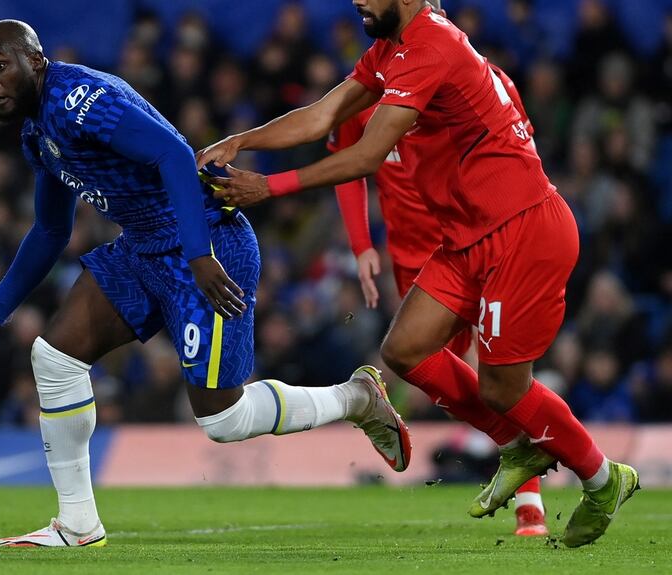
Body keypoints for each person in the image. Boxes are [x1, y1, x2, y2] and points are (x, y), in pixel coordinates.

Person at [0, 19, 411, 549]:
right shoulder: (40, 131)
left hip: (206, 243)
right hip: (144, 247)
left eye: (0, 66)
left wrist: (198, 255)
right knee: (55, 359)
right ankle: (77, 524)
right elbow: (52, 229)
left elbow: (172, 152)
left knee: (225, 420)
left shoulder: (79, 100)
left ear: (35, 61)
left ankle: (356, 398)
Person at [196, 0, 637, 548]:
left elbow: (366, 156)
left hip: (521, 233)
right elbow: (322, 115)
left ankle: (603, 477)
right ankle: (518, 446)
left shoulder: (430, 49)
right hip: (465, 237)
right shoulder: (391, 49)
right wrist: (243, 140)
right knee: (405, 350)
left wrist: (270, 185)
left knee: (504, 388)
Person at [327, 0, 547, 538]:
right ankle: (517, 453)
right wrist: (361, 244)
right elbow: (347, 166)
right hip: (414, 258)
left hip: (476, 241)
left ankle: (531, 500)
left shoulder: (468, 77)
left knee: (498, 366)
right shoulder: (369, 91)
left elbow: (516, 149)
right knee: (442, 372)